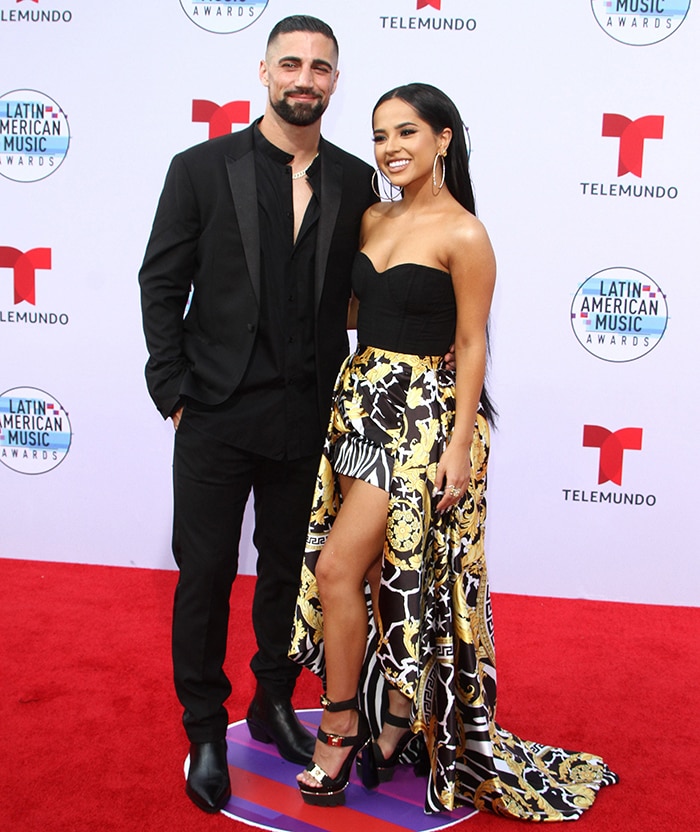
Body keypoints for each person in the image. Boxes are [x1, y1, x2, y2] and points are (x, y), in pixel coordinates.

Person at [289, 83, 618, 818]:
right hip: (358, 407)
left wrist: (460, 444)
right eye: (379, 135)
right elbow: (355, 309)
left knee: (339, 568)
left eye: (407, 131)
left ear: (444, 139)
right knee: (381, 572)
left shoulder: (465, 234)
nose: (390, 147)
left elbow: (471, 343)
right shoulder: (375, 215)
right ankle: (399, 716)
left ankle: (341, 725)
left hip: (420, 421)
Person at [138, 16, 376, 814]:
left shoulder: (353, 180)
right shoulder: (201, 168)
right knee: (204, 573)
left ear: (335, 81)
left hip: (307, 417)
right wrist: (173, 388)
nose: (304, 78)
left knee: (288, 570)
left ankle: (271, 702)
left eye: (320, 67)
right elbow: (161, 283)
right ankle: (205, 727)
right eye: (290, 64)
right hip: (214, 410)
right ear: (264, 72)